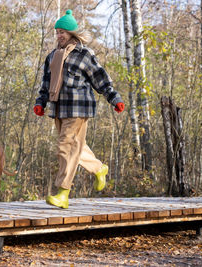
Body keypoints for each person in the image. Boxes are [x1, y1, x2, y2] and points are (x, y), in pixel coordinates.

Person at [33, 10, 125, 209]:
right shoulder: (51, 57)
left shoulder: (84, 54)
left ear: (72, 33)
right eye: (57, 32)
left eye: (63, 32)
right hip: (59, 108)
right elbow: (46, 84)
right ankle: (99, 168)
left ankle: (62, 193)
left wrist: (114, 98)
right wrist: (40, 102)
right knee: (76, 147)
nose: (59, 35)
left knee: (65, 147)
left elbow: (100, 78)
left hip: (78, 108)